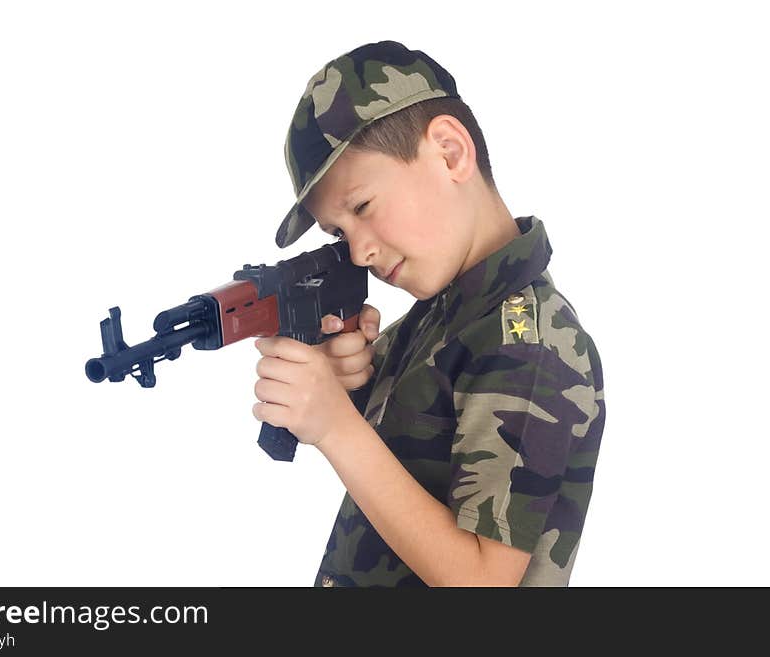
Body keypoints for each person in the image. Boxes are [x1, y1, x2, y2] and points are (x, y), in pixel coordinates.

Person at [252, 40, 605, 586]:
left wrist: (339, 428)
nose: (359, 251)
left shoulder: (528, 344)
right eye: (339, 233)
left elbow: (483, 582)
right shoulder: (443, 314)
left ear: (449, 153)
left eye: (363, 207)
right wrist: (350, 385)